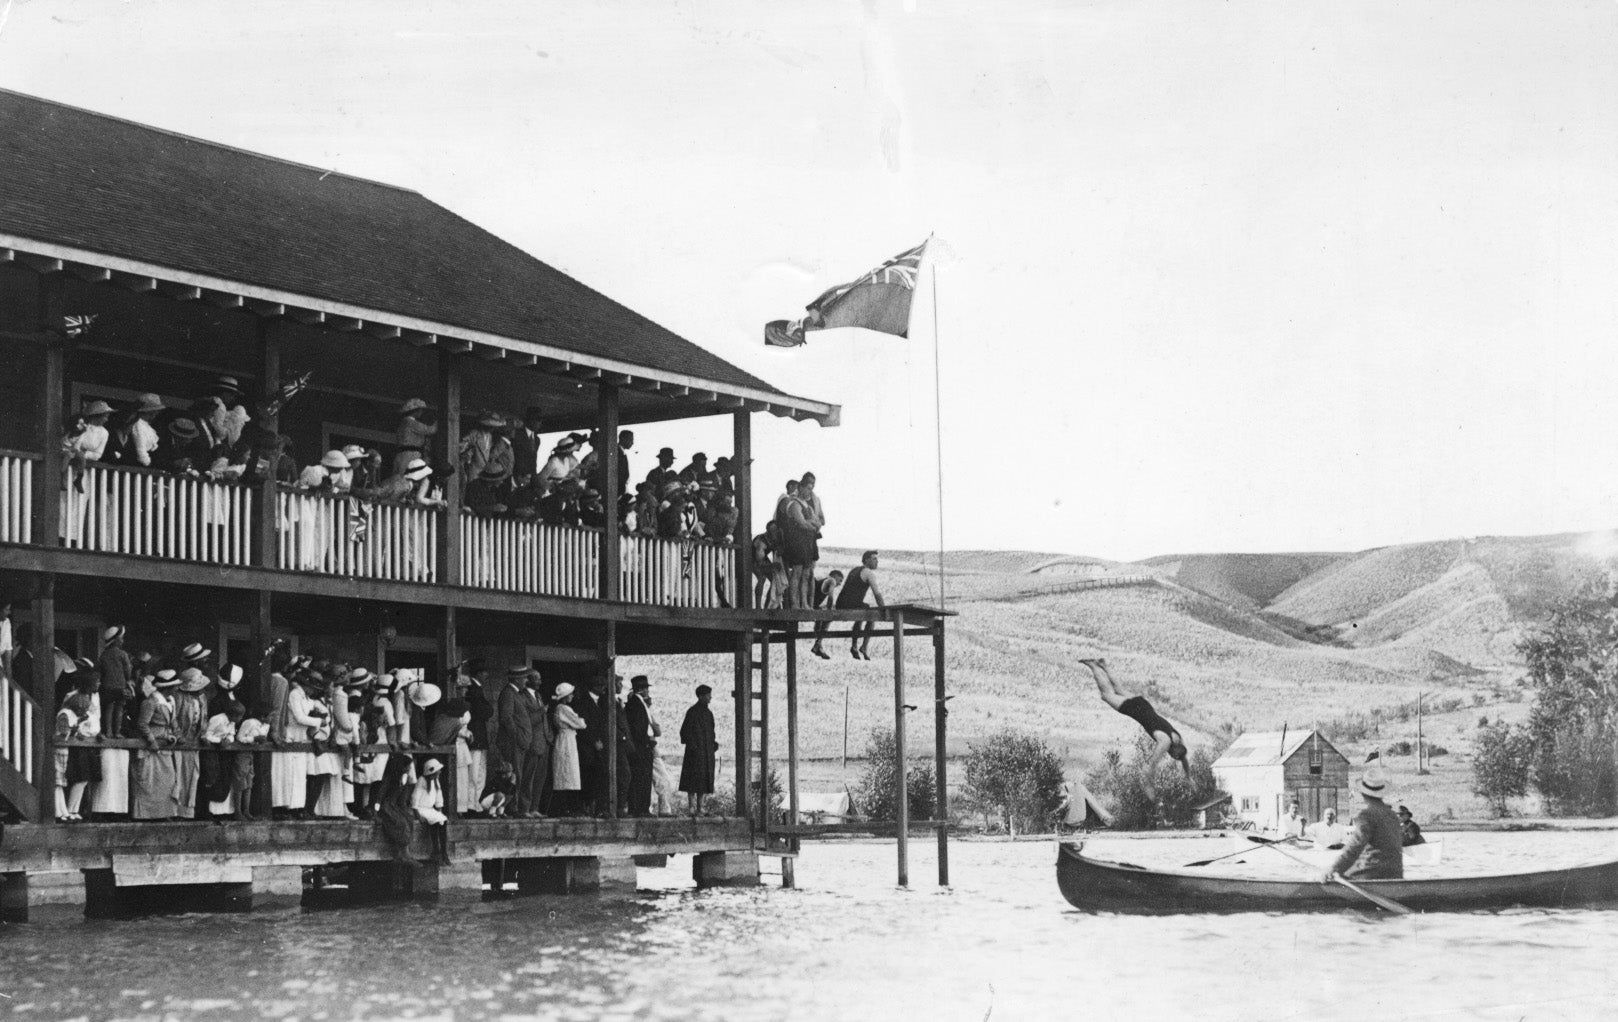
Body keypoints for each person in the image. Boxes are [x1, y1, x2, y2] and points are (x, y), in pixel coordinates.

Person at [1080, 658, 1190, 796]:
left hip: (1145, 705)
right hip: (1135, 710)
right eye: (1172, 756)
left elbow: (1184, 758)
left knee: (1119, 689)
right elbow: (1151, 766)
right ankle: (1093, 666)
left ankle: (1104, 666)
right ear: (1172, 752)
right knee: (1106, 695)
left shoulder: (1177, 738)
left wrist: (1188, 776)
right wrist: (1150, 788)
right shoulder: (1165, 742)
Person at [1321, 767, 1404, 882]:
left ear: (1363, 793)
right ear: (1381, 793)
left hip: (1373, 873)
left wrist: (1333, 868)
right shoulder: (1393, 815)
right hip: (1396, 873)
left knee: (1341, 874)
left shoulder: (1366, 815)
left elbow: (1354, 847)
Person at [131, 670, 182, 820]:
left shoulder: (169, 702)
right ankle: (145, 815)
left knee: (167, 779)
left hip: (164, 746)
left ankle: (164, 813)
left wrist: (174, 736)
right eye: (174, 686)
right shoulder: (151, 702)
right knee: (148, 781)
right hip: (150, 747)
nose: (176, 689)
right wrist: (151, 740)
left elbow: (173, 724)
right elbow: (142, 724)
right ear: (168, 687)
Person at [836, 551, 886, 660]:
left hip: (840, 603)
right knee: (872, 614)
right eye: (874, 559)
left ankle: (854, 646)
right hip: (851, 604)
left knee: (862, 611)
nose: (877, 561)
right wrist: (884, 609)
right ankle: (864, 646)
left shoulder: (854, 570)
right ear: (867, 560)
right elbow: (877, 594)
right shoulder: (868, 573)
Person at [679, 684, 717, 815]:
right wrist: (694, 746)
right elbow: (684, 732)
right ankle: (691, 807)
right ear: (701, 696)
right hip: (694, 752)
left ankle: (700, 807)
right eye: (708, 695)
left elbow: (712, 732)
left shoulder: (708, 713)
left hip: (706, 751)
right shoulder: (692, 712)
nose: (710, 697)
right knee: (692, 780)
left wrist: (713, 744)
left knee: (703, 780)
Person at [550, 683, 586, 815]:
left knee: (569, 772)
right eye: (570, 694)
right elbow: (581, 724)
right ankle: (565, 807)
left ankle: (567, 806)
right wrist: (579, 720)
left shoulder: (563, 708)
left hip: (568, 739)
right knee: (566, 772)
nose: (572, 696)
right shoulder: (563, 708)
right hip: (566, 741)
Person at [625, 676, 656, 817]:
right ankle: (640, 809)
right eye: (646, 688)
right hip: (641, 747)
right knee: (641, 778)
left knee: (640, 778)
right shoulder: (636, 704)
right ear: (643, 689)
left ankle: (640, 808)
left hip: (640, 746)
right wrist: (647, 741)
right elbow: (637, 728)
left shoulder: (635, 702)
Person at [97, 624, 135, 738]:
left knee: (109, 708)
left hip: (107, 686)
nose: (122, 640)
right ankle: (117, 732)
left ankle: (108, 731)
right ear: (117, 641)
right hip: (120, 686)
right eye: (121, 638)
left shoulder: (103, 655)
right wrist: (128, 679)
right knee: (119, 709)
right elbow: (128, 670)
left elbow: (100, 670)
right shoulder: (123, 654)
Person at [393, 397, 438, 476]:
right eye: (420, 410)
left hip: (402, 455)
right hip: (410, 455)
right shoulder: (410, 422)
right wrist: (439, 420)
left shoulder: (404, 422)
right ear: (415, 411)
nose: (421, 412)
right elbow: (431, 430)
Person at [808, 569, 847, 659]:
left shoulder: (823, 580)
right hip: (813, 607)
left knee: (822, 617)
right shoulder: (831, 580)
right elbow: (830, 596)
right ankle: (818, 644)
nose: (840, 583)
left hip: (813, 605)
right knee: (828, 617)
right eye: (840, 580)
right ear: (835, 576)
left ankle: (818, 645)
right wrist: (829, 610)